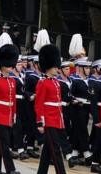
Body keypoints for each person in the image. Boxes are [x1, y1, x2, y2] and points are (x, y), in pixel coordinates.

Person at [35, 44, 77, 174]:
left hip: (56, 119)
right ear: (48, 67)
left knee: (48, 151)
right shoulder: (43, 83)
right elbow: (39, 103)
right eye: (55, 66)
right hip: (48, 120)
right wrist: (40, 122)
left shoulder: (56, 82)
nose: (57, 69)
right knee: (56, 150)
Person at [0, 44, 20, 174]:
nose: (11, 66)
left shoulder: (12, 81)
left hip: (8, 115)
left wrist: (14, 114)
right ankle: (10, 169)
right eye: (8, 64)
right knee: (5, 145)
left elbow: (13, 101)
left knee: (0, 145)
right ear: (2, 64)